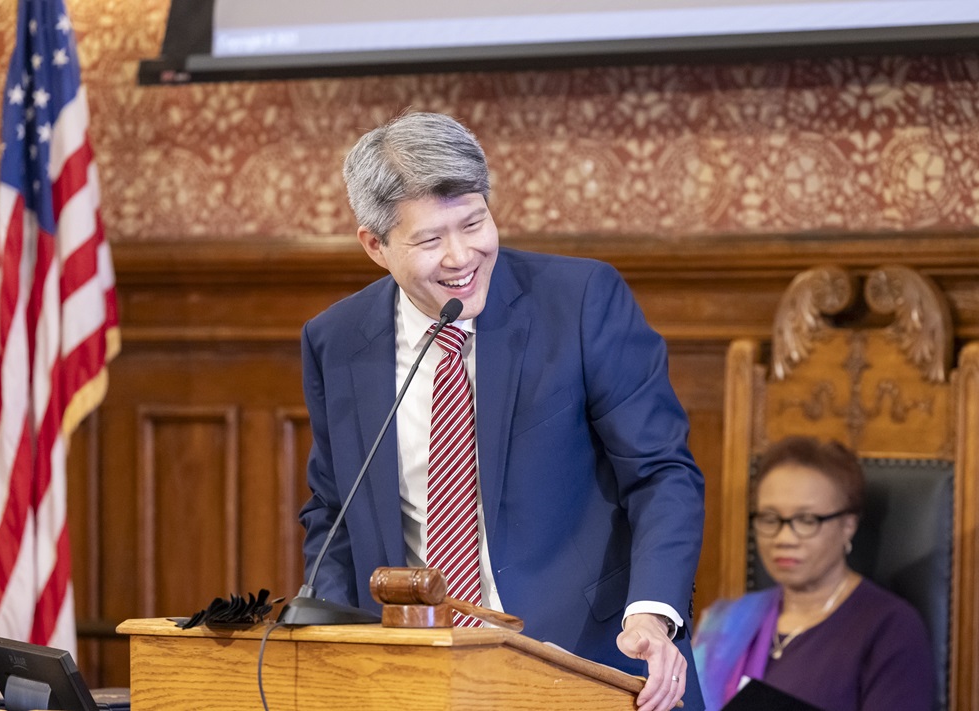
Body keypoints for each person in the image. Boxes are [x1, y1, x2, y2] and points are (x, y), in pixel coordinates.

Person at [297, 111, 706, 711]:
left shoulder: (582, 300)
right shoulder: (337, 339)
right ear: (375, 245)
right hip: (419, 680)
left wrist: (651, 614)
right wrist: (323, 639)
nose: (463, 255)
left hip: (591, 666)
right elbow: (334, 512)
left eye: (475, 221)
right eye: (431, 239)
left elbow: (661, 474)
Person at [693, 435, 934, 711]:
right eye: (770, 519)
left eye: (806, 520)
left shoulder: (891, 628)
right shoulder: (728, 621)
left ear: (848, 525)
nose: (784, 538)